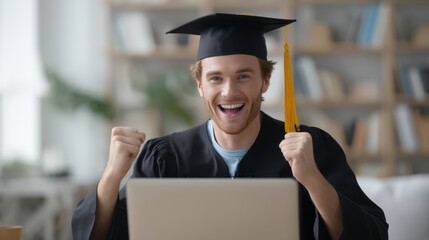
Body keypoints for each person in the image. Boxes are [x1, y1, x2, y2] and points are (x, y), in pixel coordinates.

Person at [72, 13, 388, 240]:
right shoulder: (166, 157)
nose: (228, 92)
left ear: (265, 80)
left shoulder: (313, 148)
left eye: (243, 76)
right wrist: (112, 176)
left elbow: (372, 234)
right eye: (215, 78)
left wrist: (312, 179)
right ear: (199, 84)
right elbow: (102, 236)